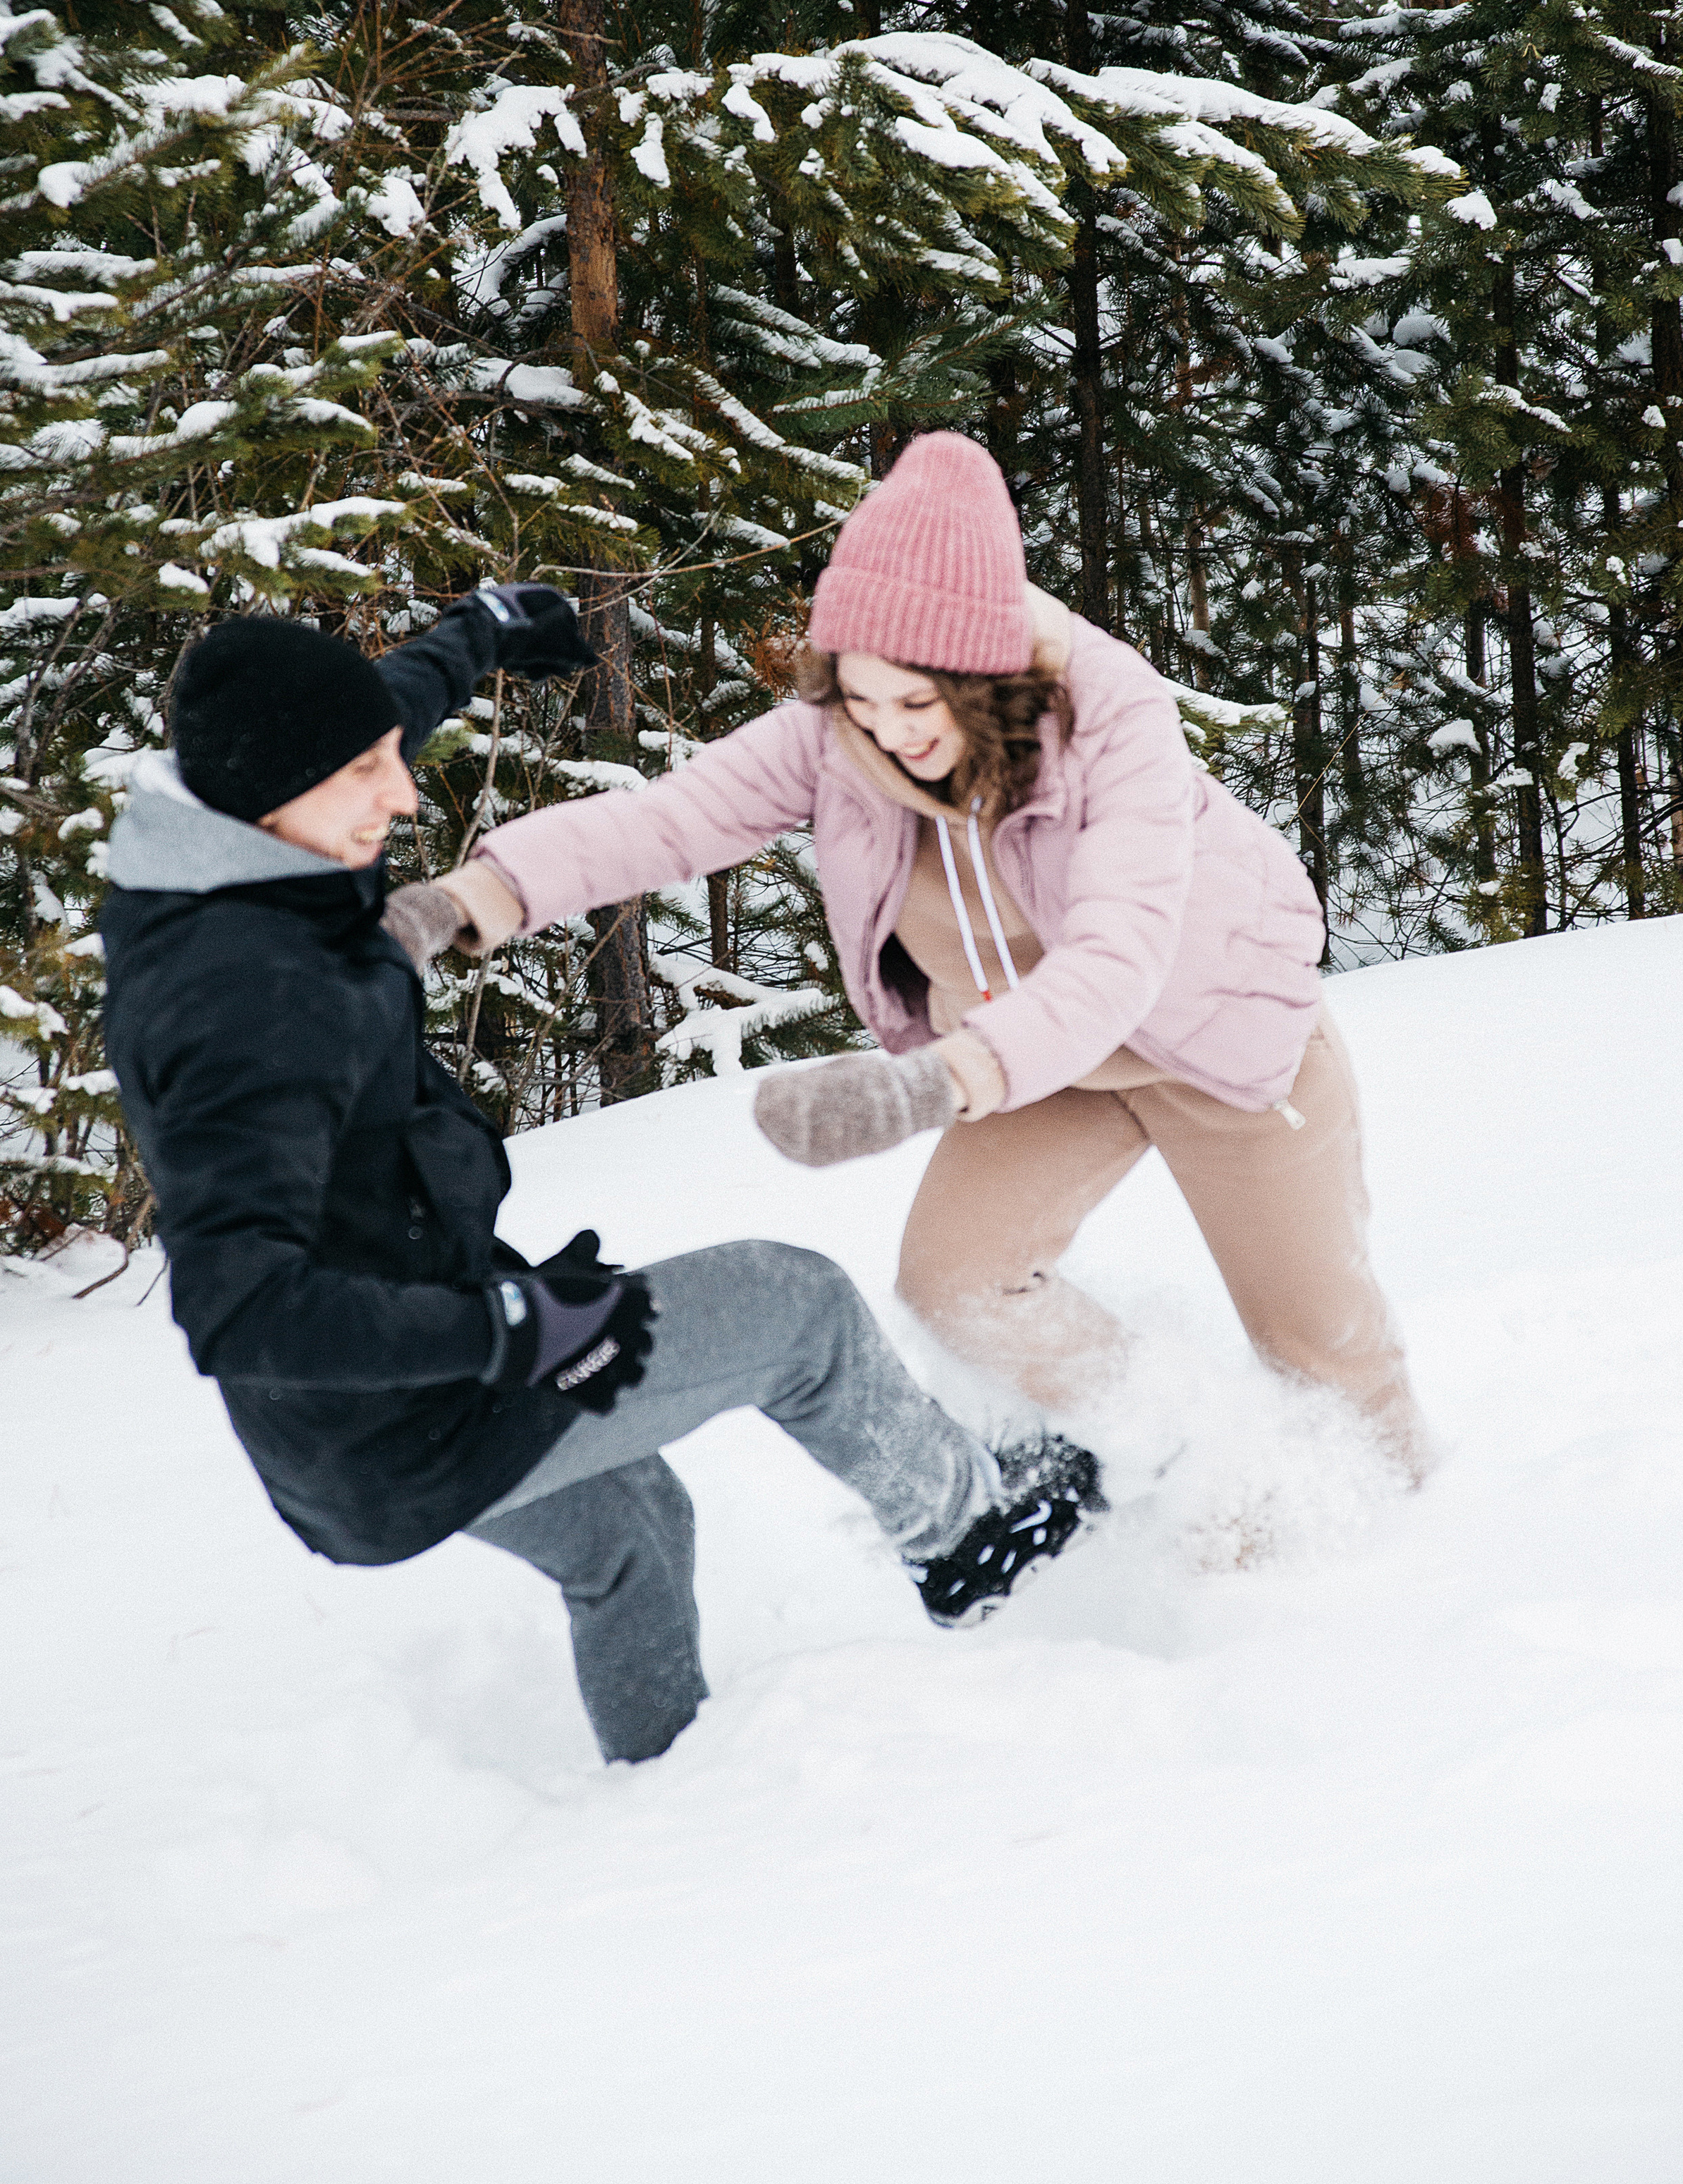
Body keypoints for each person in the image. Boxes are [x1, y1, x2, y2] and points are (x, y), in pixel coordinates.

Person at [101, 590, 1103, 1769]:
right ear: (270, 795)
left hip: (345, 1447)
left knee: (632, 1523)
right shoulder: (249, 1002)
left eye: (388, 757)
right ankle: (976, 1535)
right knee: (800, 1310)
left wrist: (478, 634)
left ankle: (661, 1793)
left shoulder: (224, 851)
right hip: (420, 1399)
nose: (403, 794)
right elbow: (241, 1309)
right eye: (367, 771)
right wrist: (515, 1330)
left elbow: (372, 720)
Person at [420, 434, 1428, 1474]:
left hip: (1214, 1034)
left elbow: (1119, 951)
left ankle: (1399, 1538)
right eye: (862, 700)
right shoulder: (841, 732)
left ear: (983, 674)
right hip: (1031, 1061)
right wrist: (470, 897)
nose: (890, 733)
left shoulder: (1112, 717)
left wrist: (928, 1086)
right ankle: (1199, 1454)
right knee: (957, 1282)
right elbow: (675, 821)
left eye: (917, 702)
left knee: (1321, 1347)